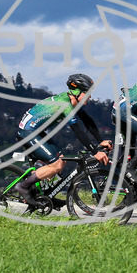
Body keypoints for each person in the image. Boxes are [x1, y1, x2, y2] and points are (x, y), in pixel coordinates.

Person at [13, 73, 112, 208]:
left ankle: (48, 194)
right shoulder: (65, 104)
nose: (90, 96)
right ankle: (23, 187)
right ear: (77, 92)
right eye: (87, 93)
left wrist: (100, 141)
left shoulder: (73, 103)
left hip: (37, 132)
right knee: (57, 165)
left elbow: (88, 122)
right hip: (28, 133)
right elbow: (78, 130)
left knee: (62, 160)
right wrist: (95, 151)